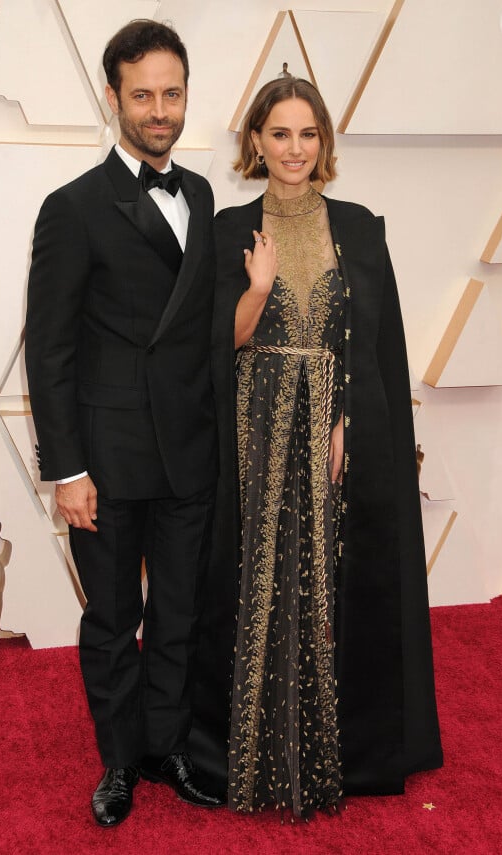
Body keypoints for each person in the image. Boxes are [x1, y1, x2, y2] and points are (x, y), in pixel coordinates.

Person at [209, 77, 443, 817]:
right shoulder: (228, 229)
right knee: (260, 576)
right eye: (280, 134)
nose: (294, 149)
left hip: (336, 427)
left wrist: (352, 422)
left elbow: (377, 348)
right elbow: (219, 343)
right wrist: (255, 288)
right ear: (256, 142)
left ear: (325, 143)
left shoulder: (361, 229)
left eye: (307, 134)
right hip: (255, 424)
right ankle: (250, 742)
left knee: (327, 577)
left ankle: (334, 745)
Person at [25, 19, 224, 827]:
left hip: (189, 452)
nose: (159, 110)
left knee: (177, 612)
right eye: (141, 95)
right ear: (113, 98)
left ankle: (165, 745)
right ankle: (117, 761)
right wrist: (66, 469)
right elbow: (50, 347)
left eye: (171, 93)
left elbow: (201, 327)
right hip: (105, 460)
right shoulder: (72, 207)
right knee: (113, 617)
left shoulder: (202, 195)